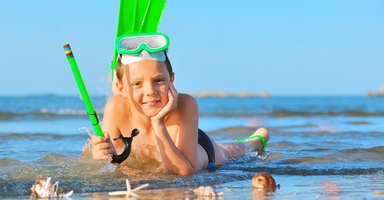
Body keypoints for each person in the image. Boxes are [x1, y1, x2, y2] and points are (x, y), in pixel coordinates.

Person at [90, 32, 269, 175]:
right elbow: (113, 164)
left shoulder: (186, 104)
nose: (150, 91)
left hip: (199, 149)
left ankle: (254, 142)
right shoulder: (115, 108)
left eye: (159, 80)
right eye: (137, 83)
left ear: (172, 80)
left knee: (230, 152)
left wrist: (158, 123)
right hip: (179, 144)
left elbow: (186, 172)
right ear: (121, 88)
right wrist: (99, 156)